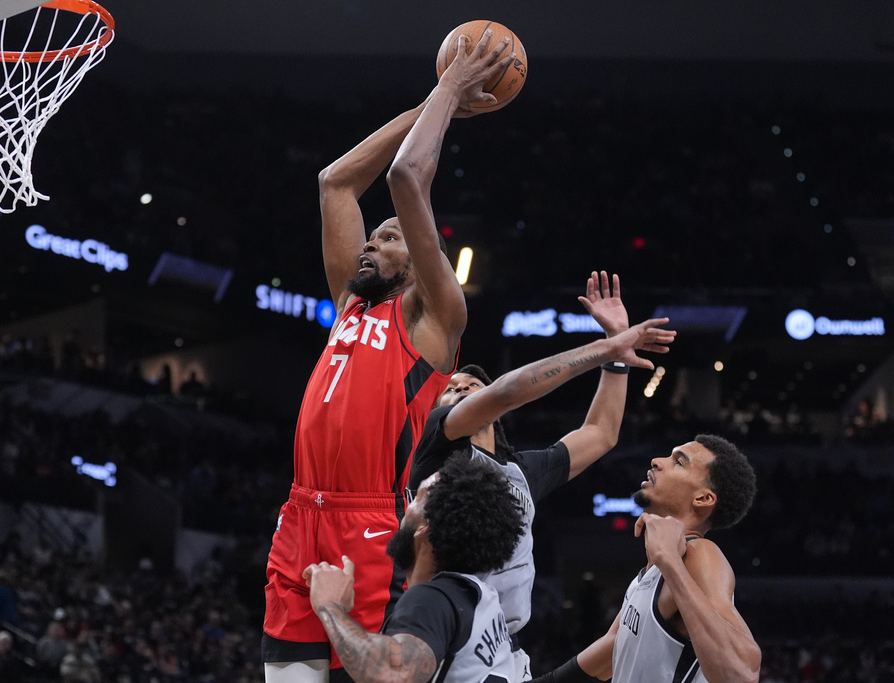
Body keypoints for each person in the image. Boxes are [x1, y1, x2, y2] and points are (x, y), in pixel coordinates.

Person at [262, 31, 517, 682]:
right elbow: (335, 183)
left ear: (423, 260)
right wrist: (439, 97)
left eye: (392, 236)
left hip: (370, 523)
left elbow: (409, 179)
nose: (372, 242)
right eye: (372, 236)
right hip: (300, 515)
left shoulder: (435, 321)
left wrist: (450, 96)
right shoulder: (351, 304)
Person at [408, 271, 675, 681]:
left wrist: (618, 356)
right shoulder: (440, 447)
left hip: (503, 642)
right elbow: (508, 391)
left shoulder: (521, 472)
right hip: (443, 626)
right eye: (452, 388)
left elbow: (600, 434)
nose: (461, 390)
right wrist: (606, 347)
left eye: (472, 385)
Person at [529, 434, 761, 683]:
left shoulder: (699, 554)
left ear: (703, 499)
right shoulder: (652, 572)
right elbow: (611, 650)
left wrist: (669, 561)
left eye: (679, 462)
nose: (656, 461)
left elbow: (742, 674)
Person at [306, 455, 524, 683]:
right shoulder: (483, 602)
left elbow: (393, 673)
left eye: (415, 499)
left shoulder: (432, 598)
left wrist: (330, 606)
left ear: (424, 526)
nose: (404, 510)